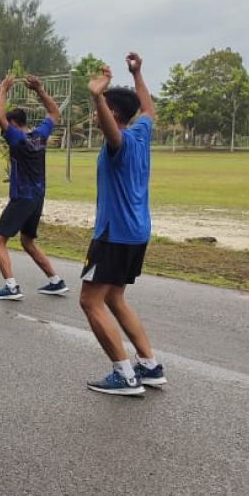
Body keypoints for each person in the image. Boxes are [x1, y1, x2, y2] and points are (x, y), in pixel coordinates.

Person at [79, 54, 164, 396]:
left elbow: (114, 134)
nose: (94, 116)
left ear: (112, 114)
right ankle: (149, 365)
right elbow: (148, 110)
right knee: (113, 297)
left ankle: (124, 374)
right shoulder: (142, 131)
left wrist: (97, 96)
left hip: (114, 234)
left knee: (89, 301)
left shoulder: (121, 142)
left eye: (100, 111)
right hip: (138, 232)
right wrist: (138, 74)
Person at [0, 74, 67, 299]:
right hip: (37, 197)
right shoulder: (39, 136)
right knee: (26, 240)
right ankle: (55, 280)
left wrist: (4, 89)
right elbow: (54, 113)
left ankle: (11, 286)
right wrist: (40, 90)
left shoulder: (16, 139)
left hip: (22, 197)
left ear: (14, 125)